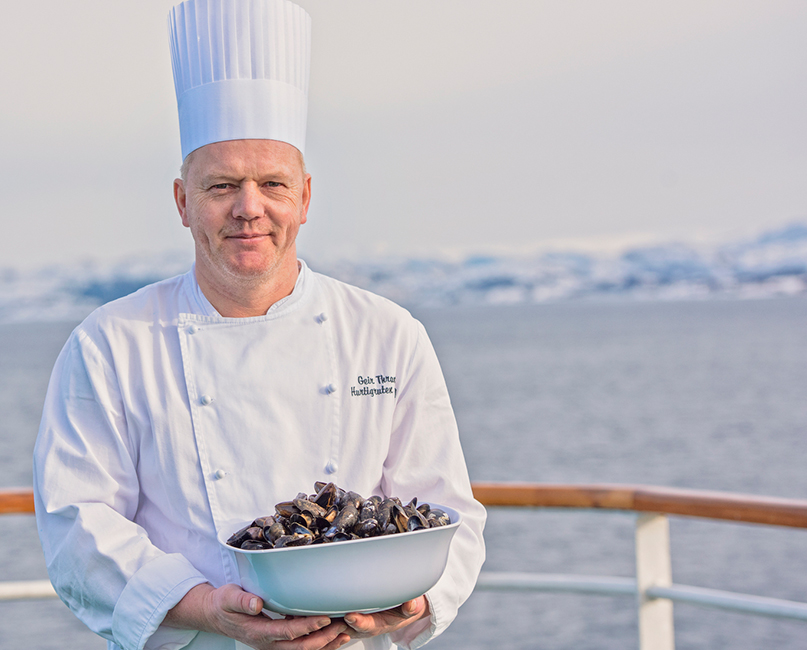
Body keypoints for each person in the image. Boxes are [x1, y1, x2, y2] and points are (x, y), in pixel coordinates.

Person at [32, 2, 486, 650]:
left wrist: (410, 603)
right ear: (183, 201)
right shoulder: (110, 344)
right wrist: (206, 607)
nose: (249, 209)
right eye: (221, 186)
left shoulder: (388, 334)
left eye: (272, 184)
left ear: (304, 196)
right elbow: (78, 525)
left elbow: (449, 514)